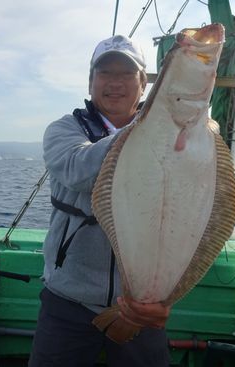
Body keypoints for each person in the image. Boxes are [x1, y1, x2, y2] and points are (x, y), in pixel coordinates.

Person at [29, 35, 171, 367]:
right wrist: (153, 125)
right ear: (91, 82)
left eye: (126, 74)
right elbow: (79, 170)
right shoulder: (63, 130)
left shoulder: (169, 136)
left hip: (141, 303)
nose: (115, 83)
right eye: (105, 73)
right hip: (68, 301)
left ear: (143, 82)